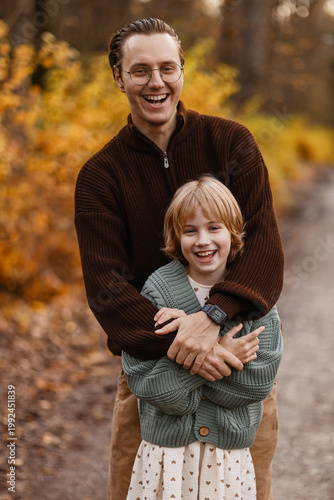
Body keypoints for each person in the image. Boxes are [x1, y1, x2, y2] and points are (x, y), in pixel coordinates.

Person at [74, 18, 284, 500]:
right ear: (118, 77)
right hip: (152, 385)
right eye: (141, 70)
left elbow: (266, 257)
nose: (156, 82)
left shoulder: (232, 144)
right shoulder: (100, 177)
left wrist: (213, 319)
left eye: (168, 68)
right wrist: (194, 347)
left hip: (240, 380)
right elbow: (109, 291)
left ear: (182, 72)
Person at [122, 176, 283, 500]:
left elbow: (256, 384)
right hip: (167, 457)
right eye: (190, 230)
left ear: (233, 232)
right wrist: (224, 354)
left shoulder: (252, 292)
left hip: (227, 459)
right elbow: (149, 384)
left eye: (214, 228)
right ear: (175, 236)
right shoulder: (158, 290)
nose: (202, 241)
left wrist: (185, 358)